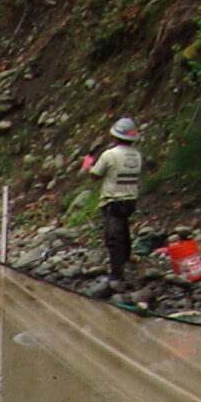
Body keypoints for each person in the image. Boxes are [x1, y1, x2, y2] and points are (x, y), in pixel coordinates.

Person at [81, 115, 145, 281]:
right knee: (124, 231)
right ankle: (127, 261)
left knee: (113, 237)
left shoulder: (109, 155)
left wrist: (88, 165)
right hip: (130, 200)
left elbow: (95, 175)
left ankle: (117, 274)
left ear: (115, 136)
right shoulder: (137, 155)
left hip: (113, 200)